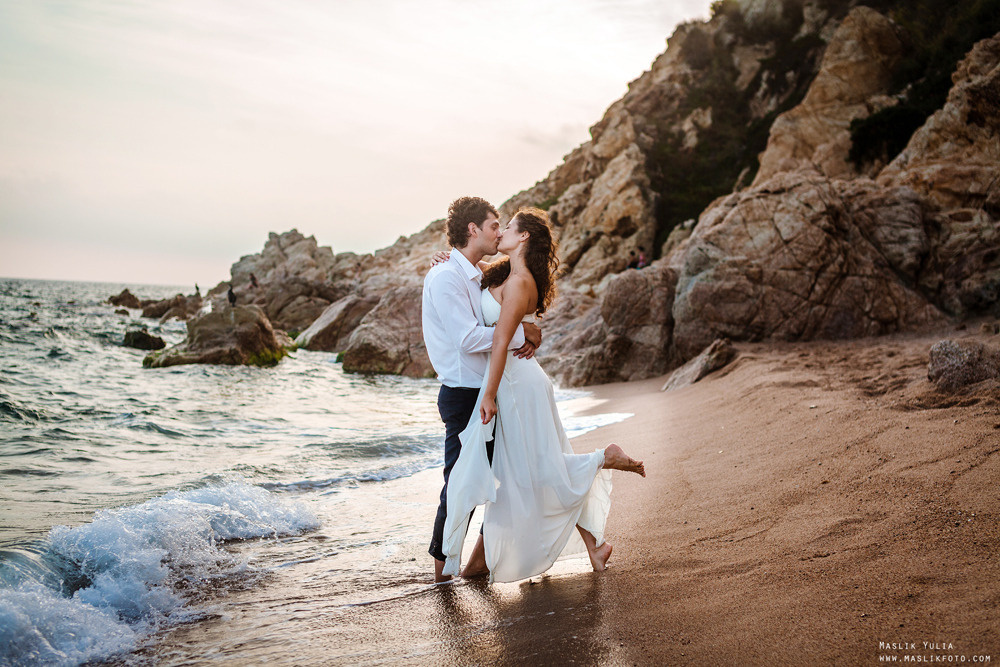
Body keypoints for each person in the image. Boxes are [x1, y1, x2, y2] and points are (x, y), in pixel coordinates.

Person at [441, 207, 645, 584]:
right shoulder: (507, 274)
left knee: (536, 471)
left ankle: (604, 457)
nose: (499, 232)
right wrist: (449, 261)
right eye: (495, 227)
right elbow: (474, 284)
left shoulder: (520, 282)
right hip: (518, 381)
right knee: (542, 470)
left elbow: (500, 341)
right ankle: (595, 547)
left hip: (518, 386)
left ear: (523, 238)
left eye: (508, 228)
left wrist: (488, 395)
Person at [421, 196, 543, 583]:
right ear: (473, 229)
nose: (498, 231)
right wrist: (522, 331)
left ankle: (476, 564)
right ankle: (442, 573)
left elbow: (512, 291)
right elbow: (467, 338)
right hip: (464, 395)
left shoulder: (475, 274)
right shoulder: (445, 277)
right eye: (494, 225)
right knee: (459, 484)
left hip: (489, 393)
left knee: (508, 476)